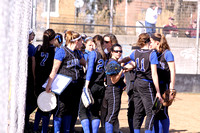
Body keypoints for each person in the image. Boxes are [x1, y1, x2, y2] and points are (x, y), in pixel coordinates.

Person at [119, 33, 163, 133]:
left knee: (138, 112)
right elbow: (154, 74)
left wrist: (119, 62)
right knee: (151, 112)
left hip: (137, 83)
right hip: (146, 84)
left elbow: (127, 59)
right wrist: (158, 91)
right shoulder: (152, 53)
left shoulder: (136, 52)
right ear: (149, 41)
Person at [45, 31, 86, 133]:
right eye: (81, 41)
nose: (82, 43)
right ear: (76, 41)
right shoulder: (62, 51)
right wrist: (49, 84)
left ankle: (67, 130)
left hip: (75, 86)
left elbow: (86, 63)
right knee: (61, 109)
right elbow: (54, 69)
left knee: (71, 109)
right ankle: (57, 130)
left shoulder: (77, 53)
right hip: (63, 86)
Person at [79, 35, 106, 133]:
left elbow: (90, 70)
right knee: (95, 112)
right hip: (101, 86)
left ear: (94, 43)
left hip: (92, 85)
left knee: (82, 111)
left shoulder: (93, 53)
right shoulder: (104, 54)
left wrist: (86, 85)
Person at [149, 33, 176, 133]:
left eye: (151, 41)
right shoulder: (153, 53)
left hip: (164, 86)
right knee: (155, 111)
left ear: (157, 42)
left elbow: (173, 70)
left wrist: (171, 88)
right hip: (155, 87)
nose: (149, 43)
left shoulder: (167, 53)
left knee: (163, 111)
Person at [32, 29, 56, 133]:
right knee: (46, 108)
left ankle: (35, 128)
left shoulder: (38, 48)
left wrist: (34, 77)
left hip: (38, 79)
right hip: (48, 81)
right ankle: (44, 130)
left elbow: (34, 63)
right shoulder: (54, 50)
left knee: (40, 105)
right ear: (54, 38)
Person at [104, 44, 125, 133]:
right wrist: (121, 71)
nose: (118, 53)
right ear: (112, 52)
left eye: (120, 51)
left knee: (113, 114)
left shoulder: (115, 62)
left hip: (114, 90)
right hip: (113, 90)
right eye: (116, 51)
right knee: (112, 115)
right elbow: (114, 80)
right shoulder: (112, 63)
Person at [24, 29, 37, 131]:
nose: (33, 37)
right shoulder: (31, 47)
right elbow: (33, 61)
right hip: (28, 77)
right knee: (30, 100)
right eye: (31, 35)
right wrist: (34, 76)